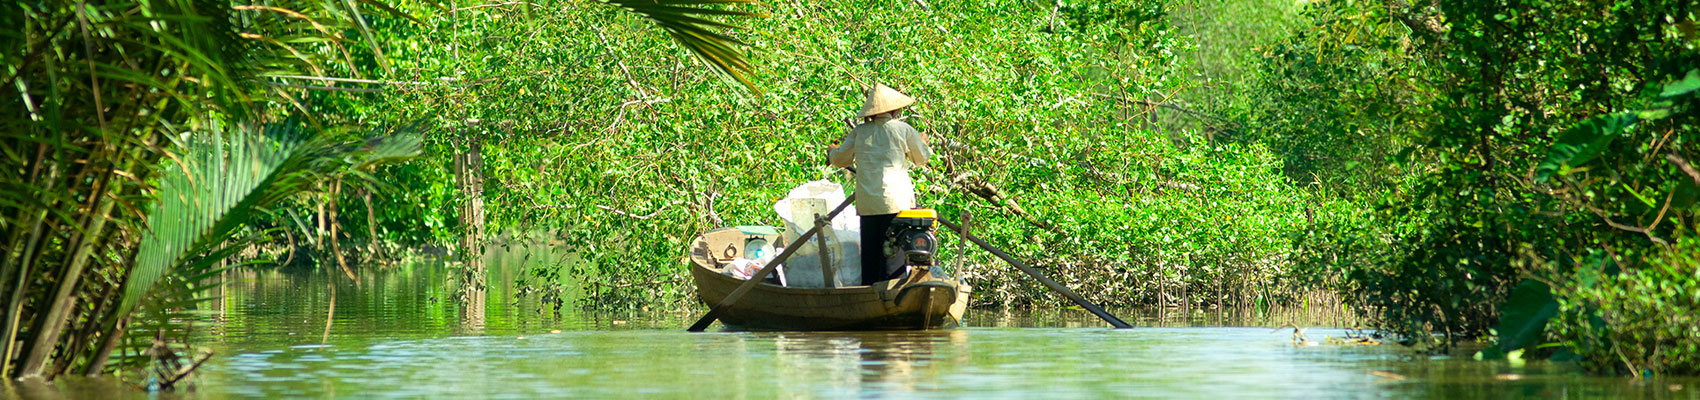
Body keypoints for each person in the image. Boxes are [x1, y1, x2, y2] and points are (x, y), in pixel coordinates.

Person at [827, 83, 932, 284]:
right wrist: (923, 143)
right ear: (894, 110)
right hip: (896, 203)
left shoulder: (860, 132)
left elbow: (840, 159)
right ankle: (891, 294)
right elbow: (921, 158)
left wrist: (832, 151)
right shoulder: (903, 129)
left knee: (871, 256)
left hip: (868, 204)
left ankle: (869, 292)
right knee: (892, 255)